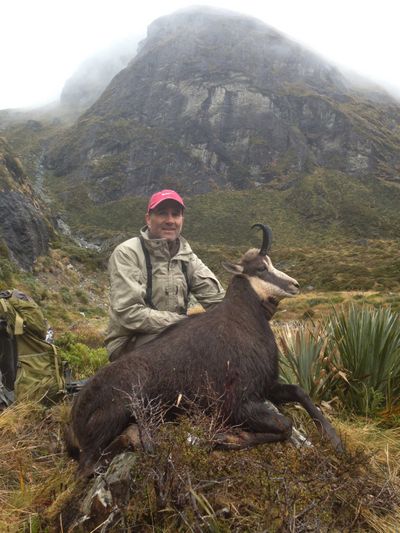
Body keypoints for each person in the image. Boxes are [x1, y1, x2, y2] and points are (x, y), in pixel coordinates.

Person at [105, 189, 225, 361]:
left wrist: (253, 305)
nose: (170, 221)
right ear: (148, 218)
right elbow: (128, 313)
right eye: (162, 214)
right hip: (130, 342)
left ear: (182, 220)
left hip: (177, 335)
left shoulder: (187, 257)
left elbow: (219, 304)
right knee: (187, 350)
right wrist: (185, 324)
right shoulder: (128, 253)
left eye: (175, 214)